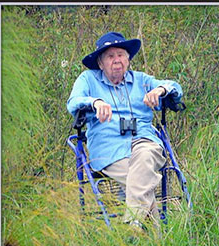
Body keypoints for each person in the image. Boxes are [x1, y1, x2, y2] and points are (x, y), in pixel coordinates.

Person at [67, 31, 183, 233]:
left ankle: (133, 227)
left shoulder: (142, 81)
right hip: (108, 148)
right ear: (100, 63)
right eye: (110, 56)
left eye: (121, 54)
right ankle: (154, 244)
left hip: (143, 140)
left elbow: (174, 87)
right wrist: (95, 102)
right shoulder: (88, 79)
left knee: (145, 159)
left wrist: (160, 91)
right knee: (140, 180)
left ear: (128, 59)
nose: (116, 60)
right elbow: (73, 102)